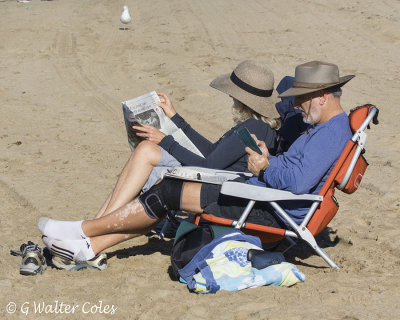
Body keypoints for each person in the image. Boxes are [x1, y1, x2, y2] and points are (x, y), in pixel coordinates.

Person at [38, 60, 354, 265]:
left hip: (265, 205)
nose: (295, 104)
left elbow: (297, 183)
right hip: (258, 194)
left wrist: (265, 167)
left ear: (322, 96)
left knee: (166, 191)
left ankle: (82, 230)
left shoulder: (326, 133)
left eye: (301, 98)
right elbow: (293, 170)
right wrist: (269, 159)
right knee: (165, 191)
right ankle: (89, 246)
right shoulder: (325, 130)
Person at [94, 60, 281, 220]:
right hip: (215, 177)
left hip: (216, 186)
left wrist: (165, 141)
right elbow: (212, 152)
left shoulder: (254, 128)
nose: (231, 96)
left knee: (145, 155)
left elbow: (208, 165)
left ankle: (97, 225)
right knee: (144, 152)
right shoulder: (256, 125)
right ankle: (98, 221)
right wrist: (176, 118)